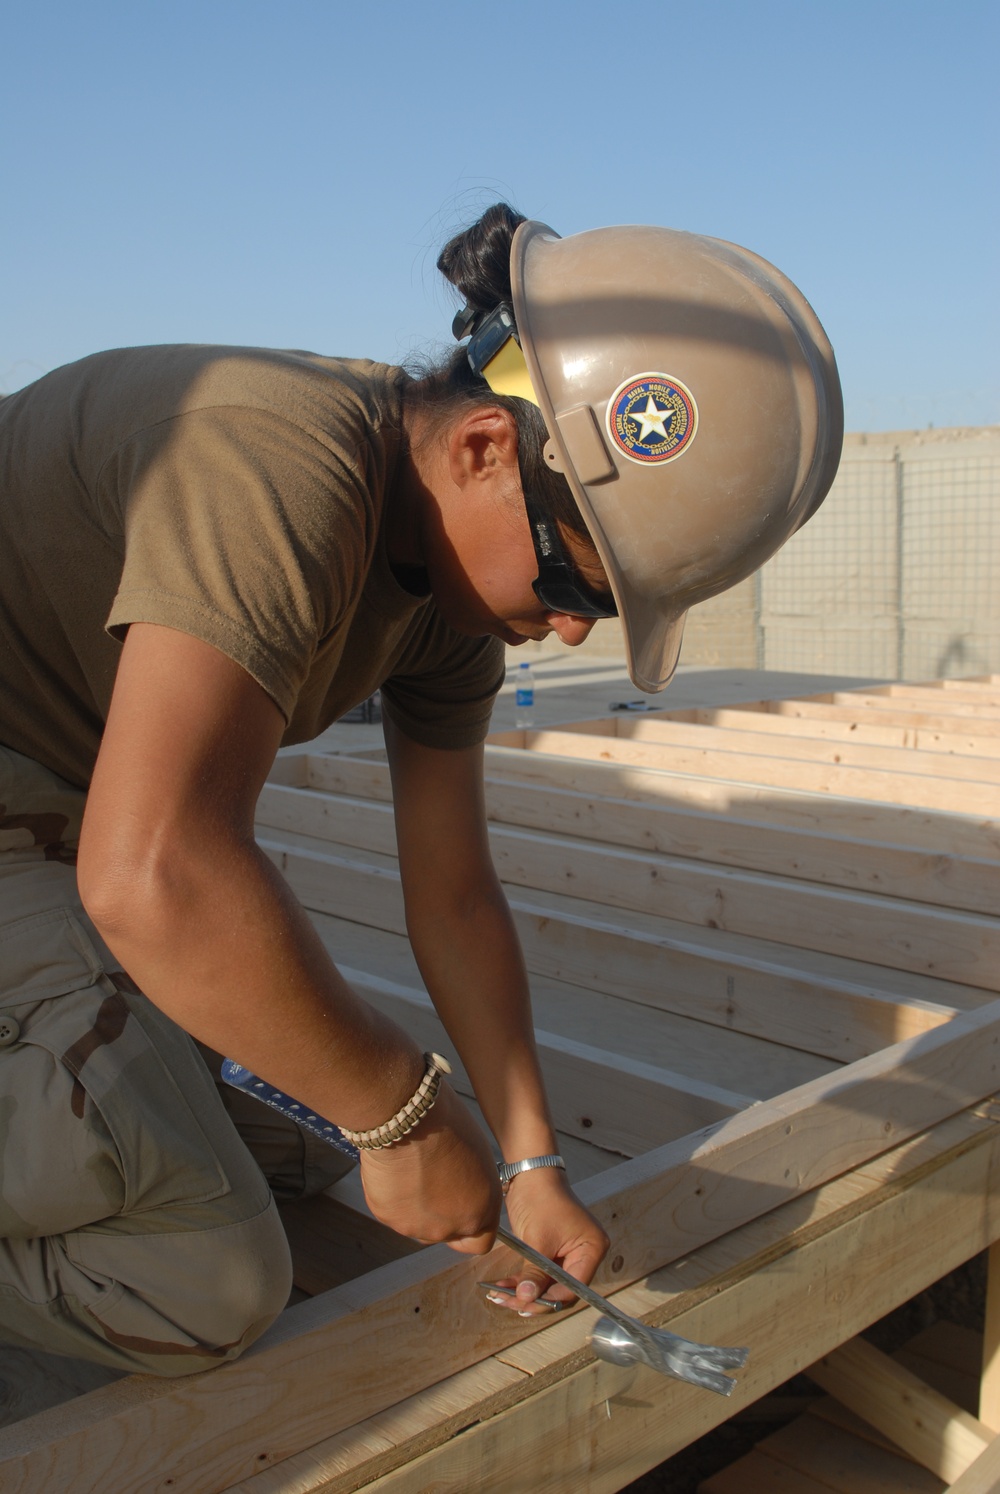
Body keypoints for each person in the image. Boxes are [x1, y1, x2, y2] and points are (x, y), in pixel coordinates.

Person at [0, 204, 842, 1376]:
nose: (562, 625)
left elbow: (453, 894)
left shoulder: (444, 599)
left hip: (53, 797)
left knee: (283, 1139)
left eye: (592, 612)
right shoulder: (274, 466)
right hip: (33, 807)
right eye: (568, 579)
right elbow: (156, 871)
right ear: (486, 447)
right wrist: (397, 1108)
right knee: (202, 1272)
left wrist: (527, 1160)